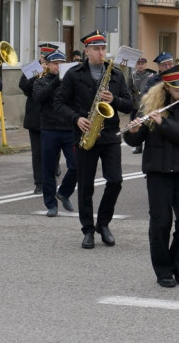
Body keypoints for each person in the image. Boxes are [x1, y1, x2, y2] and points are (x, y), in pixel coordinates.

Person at [54, 31, 134, 249]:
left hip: (109, 135)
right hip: (85, 135)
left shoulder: (115, 74)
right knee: (86, 186)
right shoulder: (73, 74)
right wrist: (76, 118)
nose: (101, 53)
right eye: (97, 49)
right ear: (87, 51)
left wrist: (114, 99)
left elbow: (129, 104)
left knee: (115, 181)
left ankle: (104, 223)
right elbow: (59, 103)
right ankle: (88, 229)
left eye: (103, 48)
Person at [123, 69, 179, 287]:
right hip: (157, 172)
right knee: (160, 223)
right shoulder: (150, 106)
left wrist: (162, 123)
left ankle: (177, 263)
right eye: (175, 87)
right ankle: (163, 270)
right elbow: (136, 141)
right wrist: (133, 131)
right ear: (165, 86)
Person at [34, 51, 77, 217]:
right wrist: (55, 82)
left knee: (76, 165)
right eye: (55, 64)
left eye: (61, 63)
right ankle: (51, 204)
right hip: (49, 129)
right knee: (49, 169)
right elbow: (38, 97)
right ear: (49, 65)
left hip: (68, 129)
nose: (58, 66)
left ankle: (64, 192)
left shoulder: (71, 82)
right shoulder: (41, 81)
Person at [21, 43, 57, 192]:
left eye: (47, 57)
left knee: (53, 150)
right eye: (42, 55)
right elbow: (23, 87)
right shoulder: (32, 67)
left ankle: (52, 173)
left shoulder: (57, 68)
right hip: (35, 116)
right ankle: (39, 183)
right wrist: (35, 74)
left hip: (53, 116)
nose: (43, 58)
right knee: (37, 152)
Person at [129, 56, 156, 154]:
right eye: (139, 64)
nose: (140, 66)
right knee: (136, 124)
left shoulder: (150, 75)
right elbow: (129, 89)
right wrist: (130, 100)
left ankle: (149, 145)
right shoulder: (132, 75)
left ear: (145, 65)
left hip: (146, 104)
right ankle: (138, 146)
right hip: (136, 104)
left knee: (147, 125)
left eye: (142, 64)